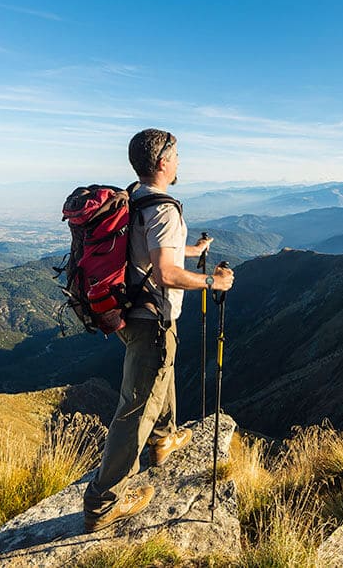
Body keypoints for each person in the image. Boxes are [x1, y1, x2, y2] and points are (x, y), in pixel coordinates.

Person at [82, 128, 235, 534]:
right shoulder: (164, 208)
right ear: (164, 162)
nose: (181, 161)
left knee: (159, 376)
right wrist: (212, 283)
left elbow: (148, 251)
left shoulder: (135, 197)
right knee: (135, 409)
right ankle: (103, 502)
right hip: (151, 318)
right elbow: (165, 272)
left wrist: (193, 251)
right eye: (178, 155)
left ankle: (163, 438)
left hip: (130, 313)